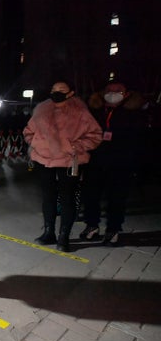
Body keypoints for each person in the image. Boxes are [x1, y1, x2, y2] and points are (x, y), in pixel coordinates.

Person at [23, 80, 102, 252]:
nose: (56, 92)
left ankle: (63, 236)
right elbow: (28, 131)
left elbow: (95, 136)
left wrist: (73, 147)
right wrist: (36, 143)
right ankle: (49, 232)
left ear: (71, 93)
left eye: (61, 89)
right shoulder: (42, 110)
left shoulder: (80, 112)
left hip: (68, 161)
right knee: (48, 197)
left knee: (67, 199)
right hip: (44, 159)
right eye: (54, 89)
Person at [80, 81, 145, 245]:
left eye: (118, 90)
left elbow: (140, 138)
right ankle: (92, 226)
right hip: (95, 160)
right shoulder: (95, 110)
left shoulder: (134, 112)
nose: (113, 93)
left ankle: (113, 229)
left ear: (126, 93)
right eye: (109, 90)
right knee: (91, 196)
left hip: (121, 162)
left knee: (116, 198)